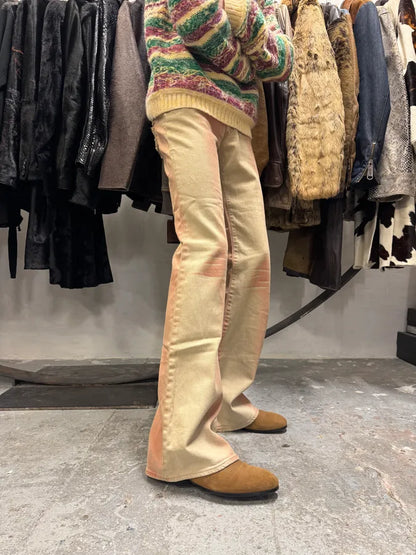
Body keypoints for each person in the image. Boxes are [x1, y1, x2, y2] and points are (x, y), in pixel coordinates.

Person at [143, 0, 294, 499]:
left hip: (237, 117)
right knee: (206, 252)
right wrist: (249, 54)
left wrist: (240, 20)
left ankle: (227, 401)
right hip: (183, 96)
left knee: (252, 257)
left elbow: (283, 61)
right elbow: (194, 20)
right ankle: (182, 447)